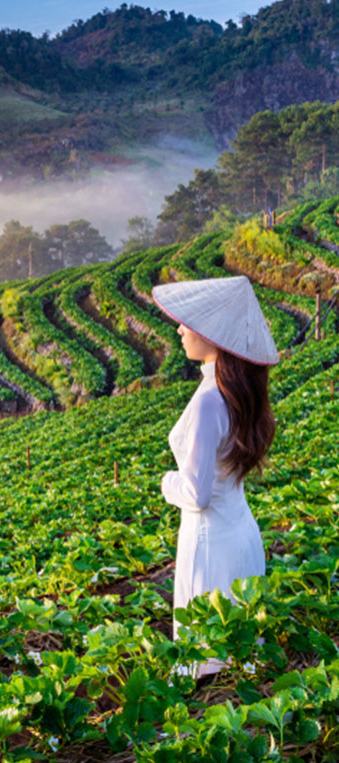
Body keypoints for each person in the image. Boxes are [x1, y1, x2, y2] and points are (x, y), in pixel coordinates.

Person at [152, 274, 277, 677]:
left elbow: (196, 493)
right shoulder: (235, 391)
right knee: (238, 659)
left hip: (210, 545)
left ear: (215, 334)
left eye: (189, 321)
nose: (180, 328)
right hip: (240, 535)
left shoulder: (210, 400)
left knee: (204, 666)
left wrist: (165, 482)